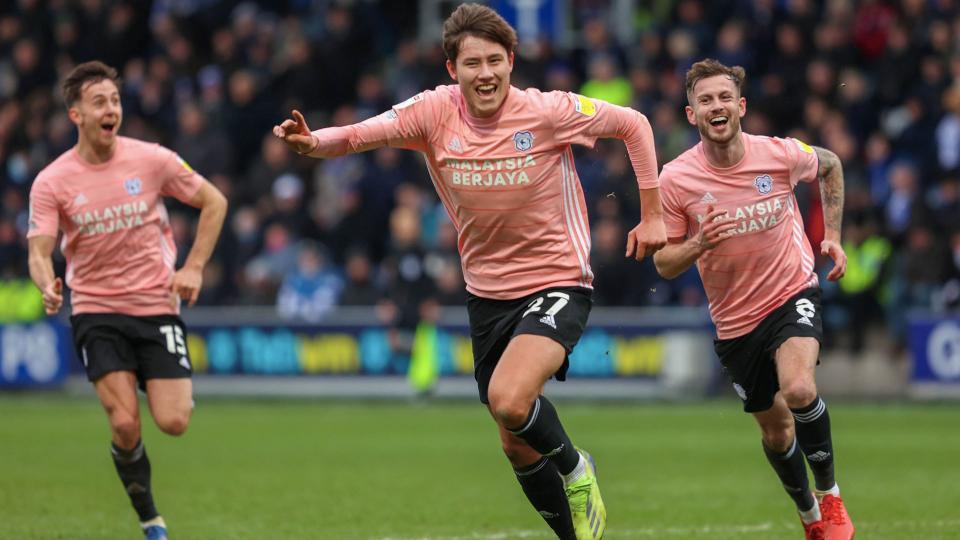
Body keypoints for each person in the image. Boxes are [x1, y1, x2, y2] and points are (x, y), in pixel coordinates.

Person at [273, 4, 665, 538]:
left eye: (496, 61)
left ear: (512, 61)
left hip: (558, 279)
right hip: (487, 294)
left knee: (510, 398)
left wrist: (654, 213)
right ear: (452, 68)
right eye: (473, 62)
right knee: (512, 438)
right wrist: (315, 142)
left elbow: (634, 124)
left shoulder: (548, 111)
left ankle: (577, 468)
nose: (486, 73)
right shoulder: (434, 111)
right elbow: (365, 133)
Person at [652, 59, 854, 540]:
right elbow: (663, 264)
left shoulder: (777, 154)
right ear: (691, 114)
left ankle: (831, 500)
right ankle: (808, 516)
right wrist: (698, 244)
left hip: (791, 291)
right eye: (705, 100)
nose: (716, 107)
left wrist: (833, 235)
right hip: (736, 322)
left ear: (740, 107)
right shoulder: (676, 180)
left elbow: (830, 164)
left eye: (724, 98)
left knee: (800, 389)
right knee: (776, 432)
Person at [26, 61, 227, 540]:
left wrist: (194, 266)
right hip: (97, 310)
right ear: (76, 114)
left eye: (115, 100)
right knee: (124, 422)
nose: (110, 108)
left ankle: (149, 379)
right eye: (99, 102)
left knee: (174, 421)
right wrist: (46, 281)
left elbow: (214, 201)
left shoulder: (152, 160)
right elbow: (38, 249)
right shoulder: (52, 181)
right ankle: (150, 519)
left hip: (156, 305)